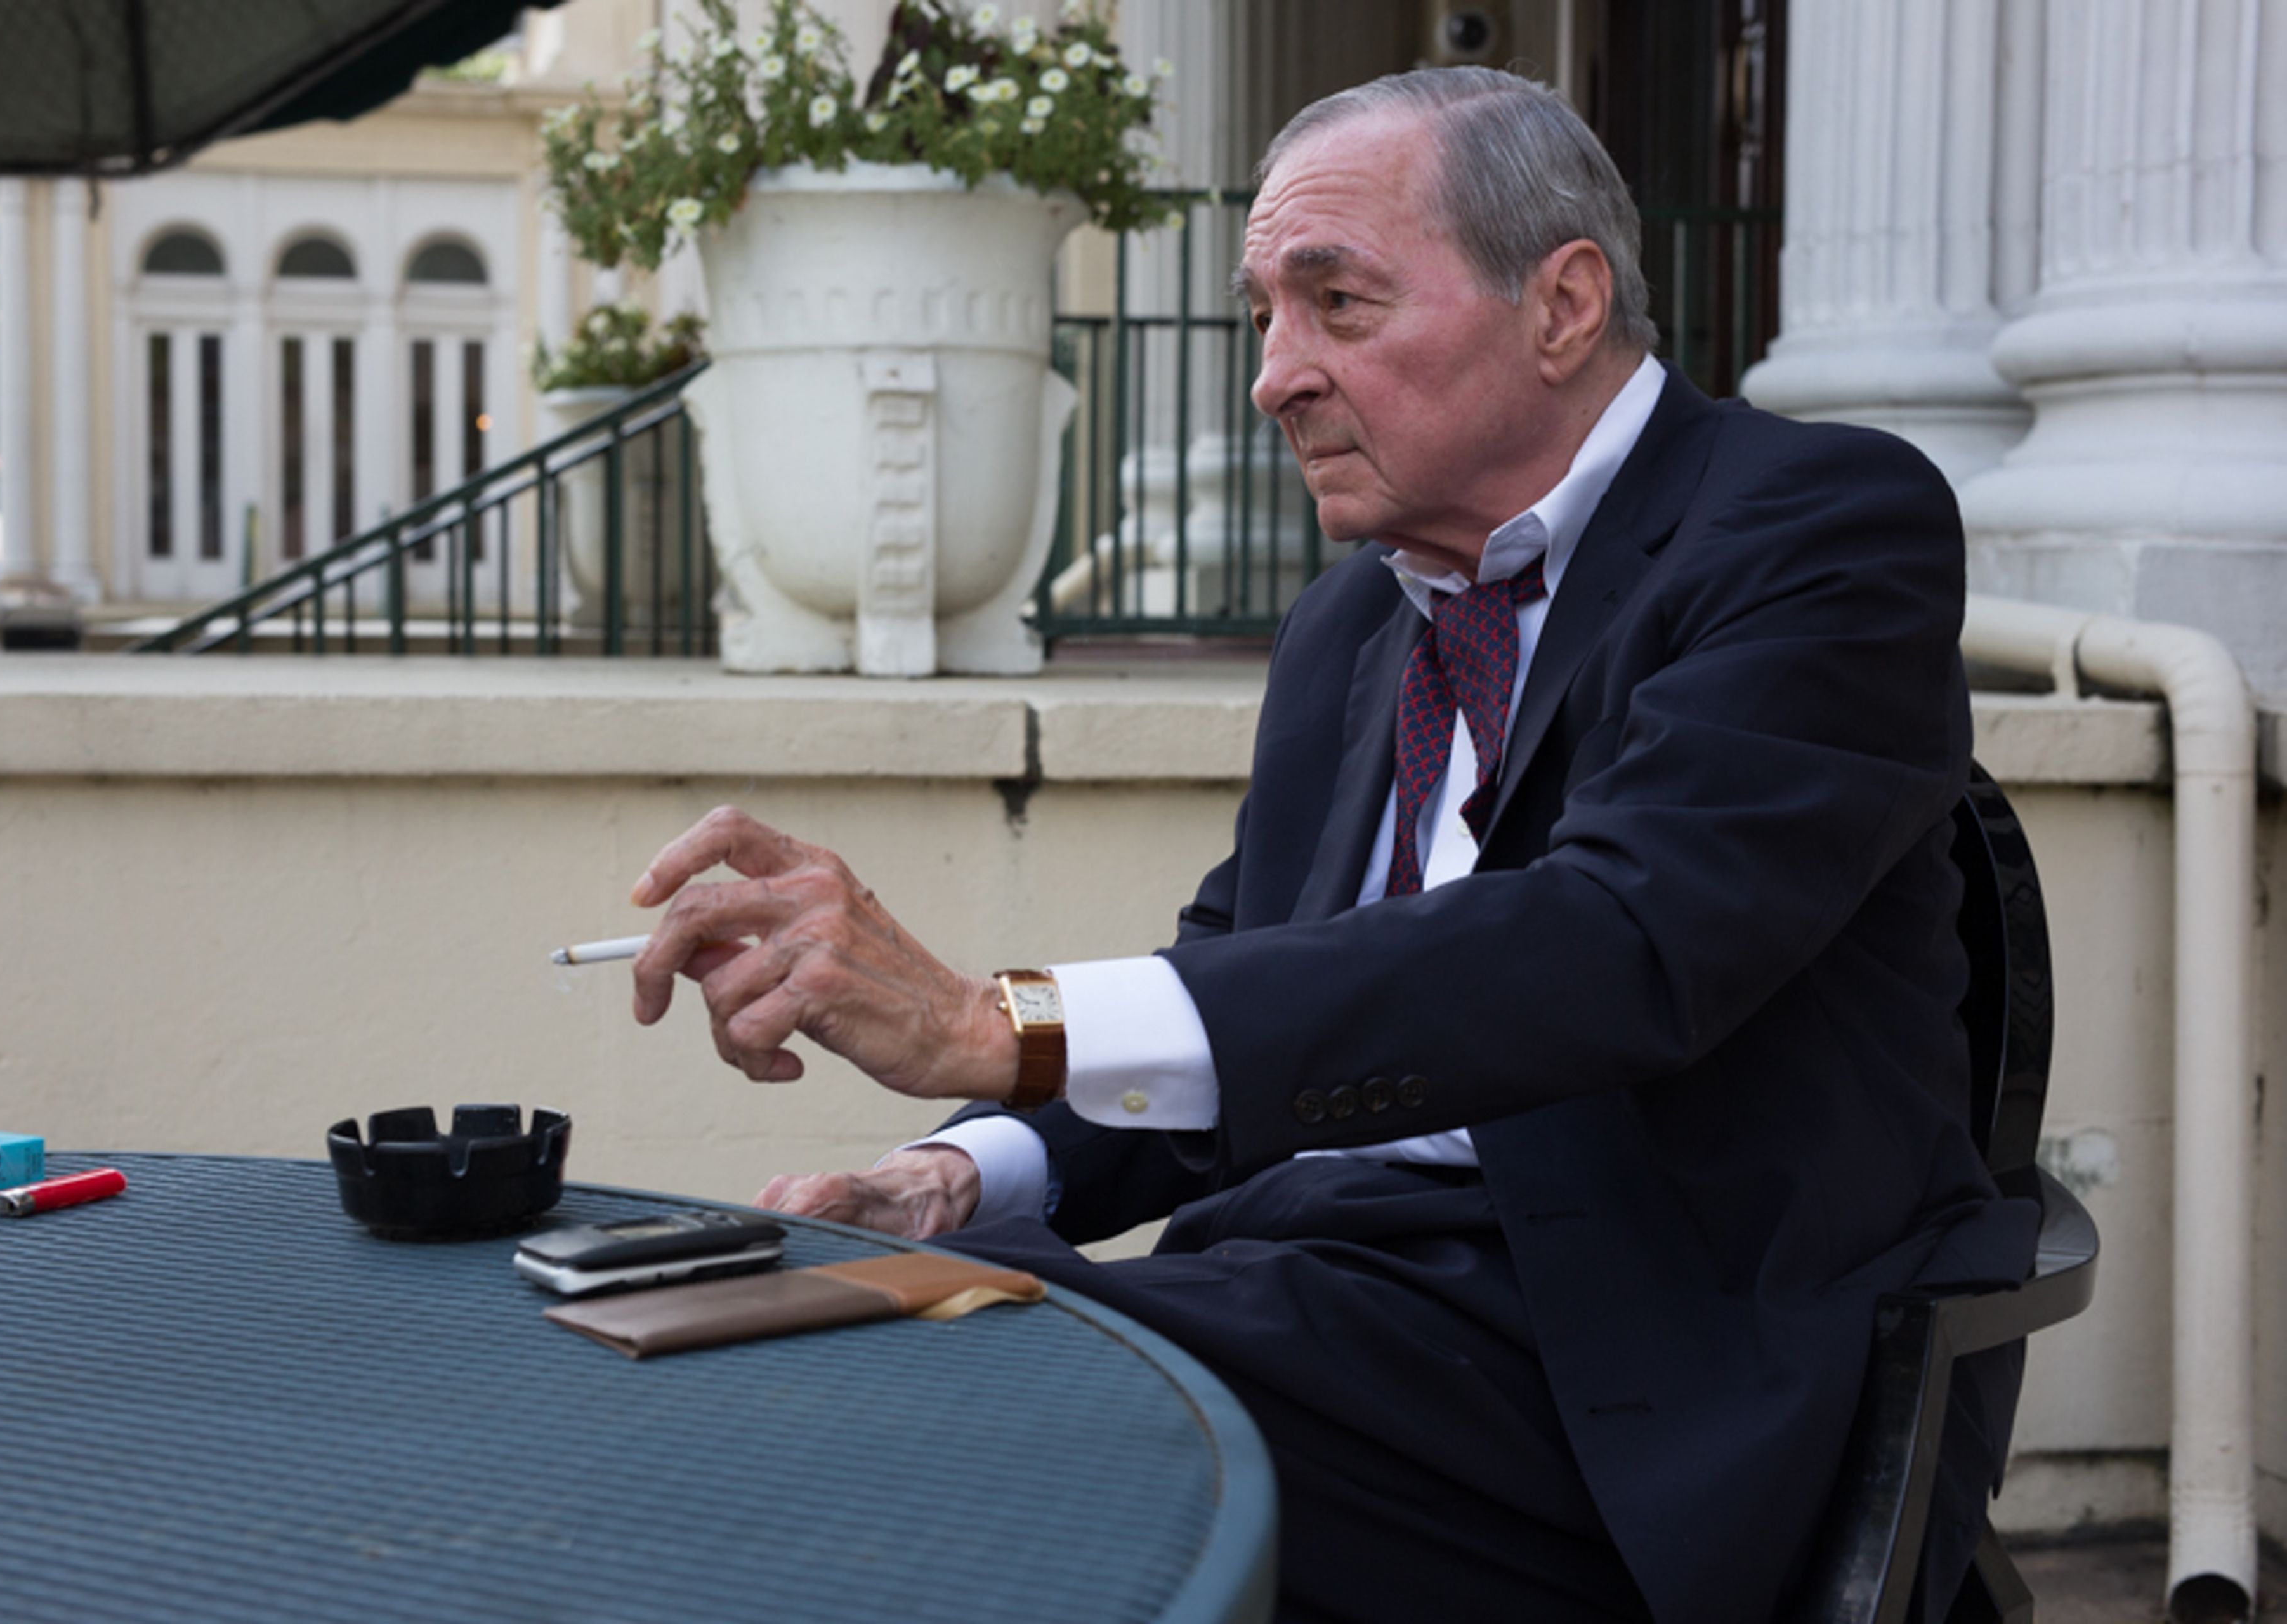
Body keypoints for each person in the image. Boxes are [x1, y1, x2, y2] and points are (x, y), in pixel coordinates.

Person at [626, 66, 2037, 1624]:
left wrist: (999, 1024)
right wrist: (965, 1171)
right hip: (1313, 1299)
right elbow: (1246, 983)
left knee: (925, 1386)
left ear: (1563, 304)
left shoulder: (1816, 525)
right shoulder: (1352, 625)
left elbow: (1620, 944)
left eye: (1337, 304)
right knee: (797, 1315)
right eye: (1263, 317)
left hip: (1631, 1373)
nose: (1274, 377)